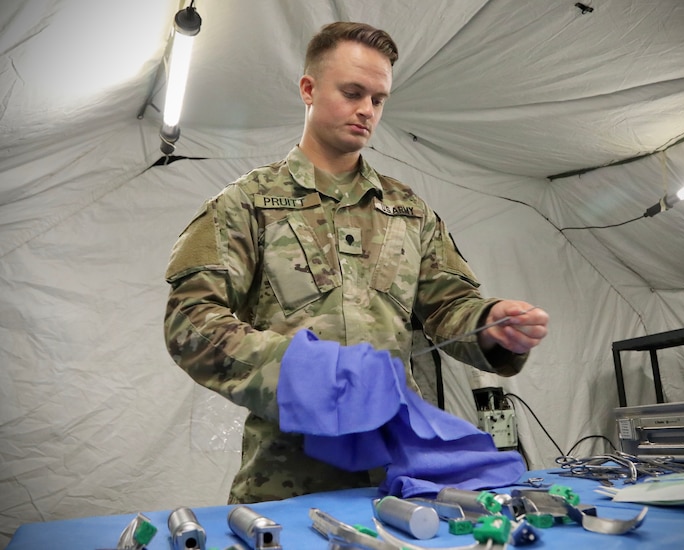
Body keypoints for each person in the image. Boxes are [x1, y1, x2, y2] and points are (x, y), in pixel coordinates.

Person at [163, 21, 549, 504]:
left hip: (401, 479)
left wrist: (490, 324)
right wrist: (300, 371)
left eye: (378, 99)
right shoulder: (248, 204)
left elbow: (450, 307)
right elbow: (191, 323)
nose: (366, 110)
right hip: (288, 482)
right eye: (352, 92)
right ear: (308, 89)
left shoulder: (408, 211)